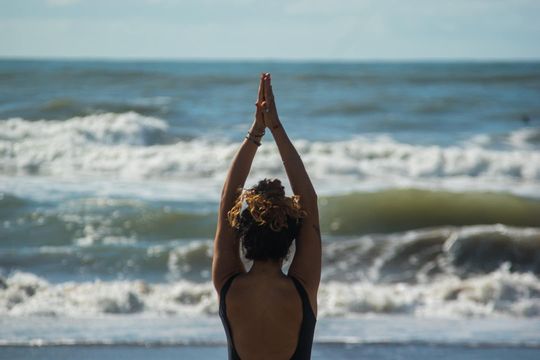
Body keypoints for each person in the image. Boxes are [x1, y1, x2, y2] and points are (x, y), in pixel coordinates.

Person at [212, 73, 321, 360]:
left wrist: (256, 132)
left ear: (243, 233)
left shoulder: (228, 285)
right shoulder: (302, 289)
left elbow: (227, 202)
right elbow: (309, 201)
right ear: (290, 239)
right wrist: (275, 126)